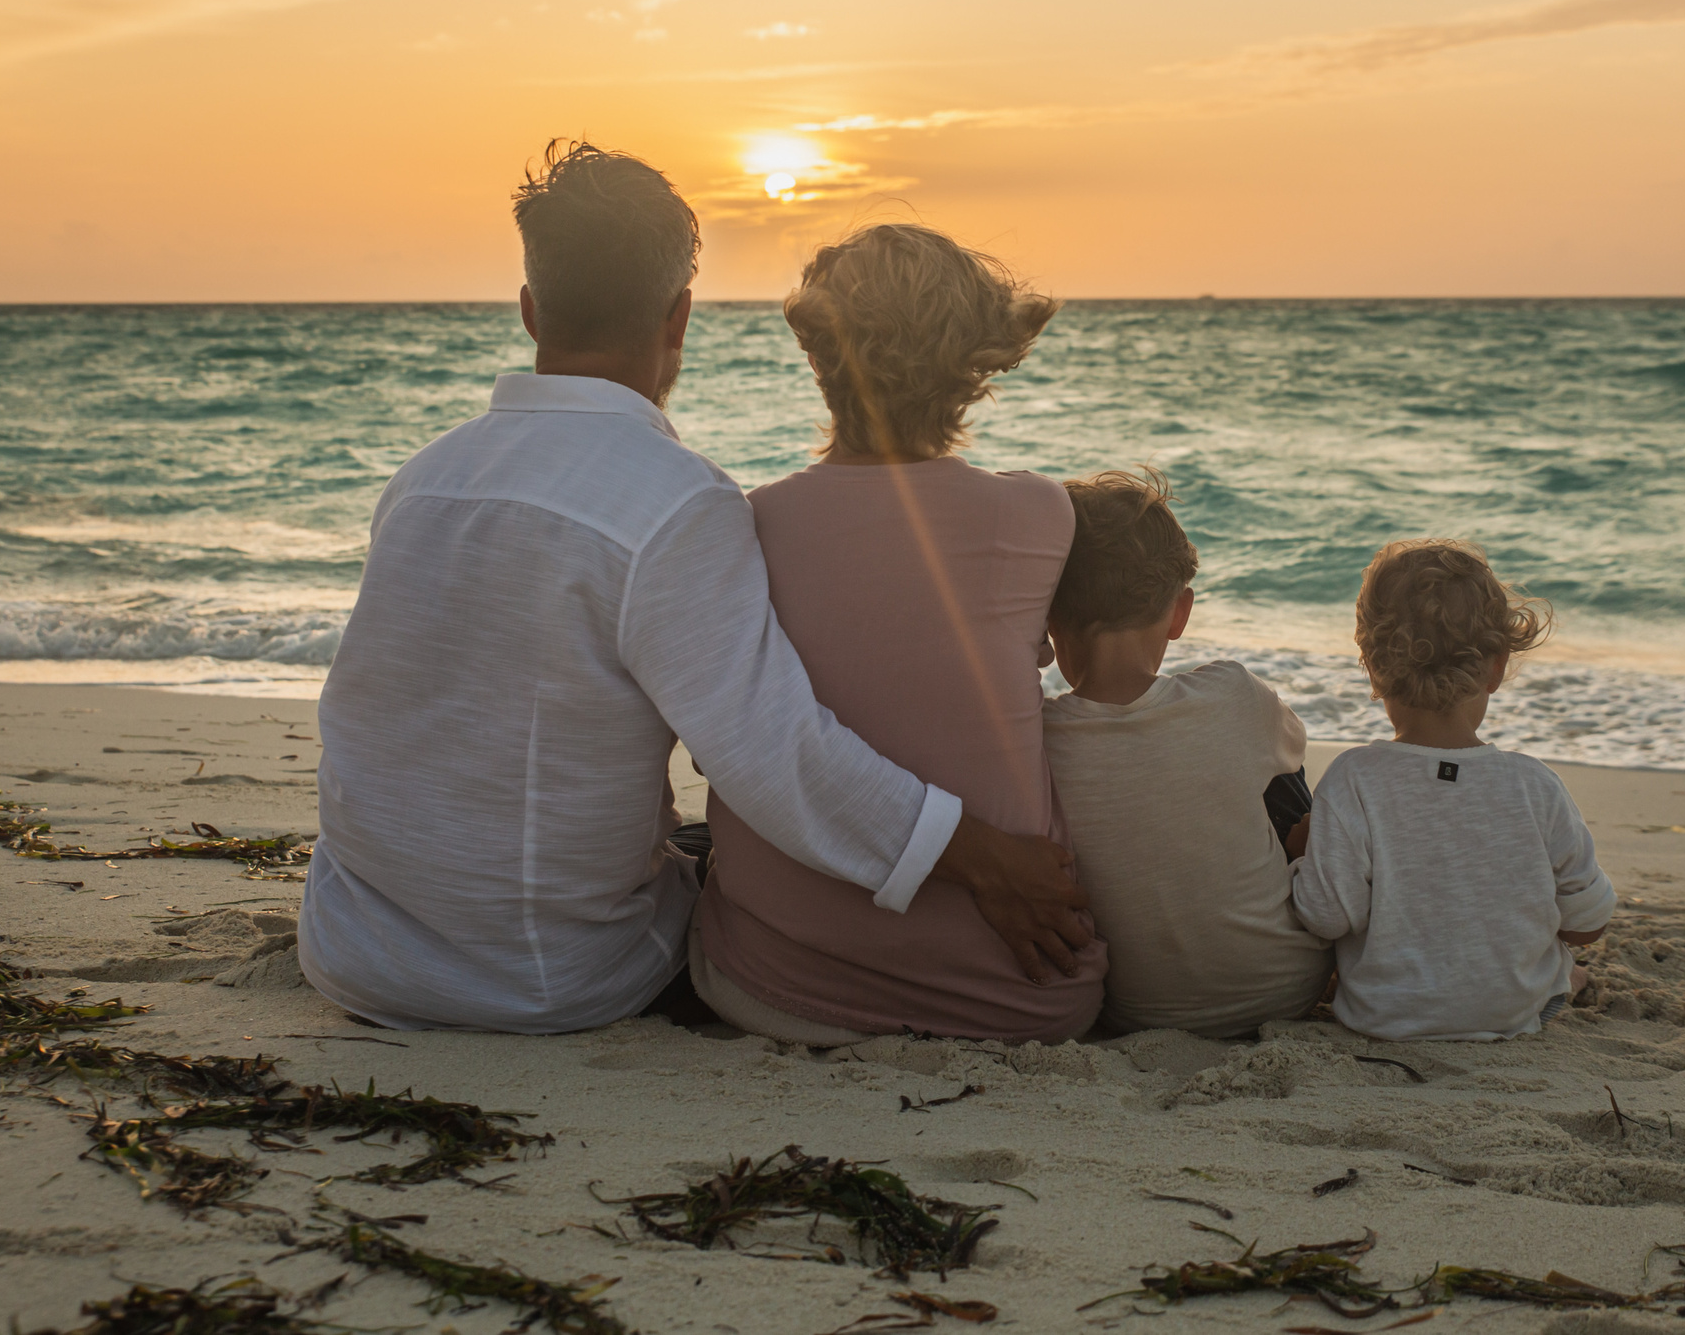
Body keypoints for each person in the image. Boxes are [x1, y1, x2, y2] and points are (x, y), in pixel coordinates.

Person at [297, 144, 1093, 1034]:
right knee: (715, 857)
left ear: (529, 311)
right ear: (679, 315)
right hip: (539, 979)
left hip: (352, 946)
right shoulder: (675, 501)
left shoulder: (423, 478)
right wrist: (983, 856)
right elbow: (774, 758)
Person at [691, 224, 1109, 1043]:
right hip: (1026, 994)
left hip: (774, 988)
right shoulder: (1038, 511)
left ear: (816, 355)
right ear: (977, 365)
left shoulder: (754, 523)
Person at [1041, 469, 1331, 1037]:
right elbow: (1292, 757)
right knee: (1274, 773)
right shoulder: (1233, 694)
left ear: (1046, 617)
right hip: (1292, 987)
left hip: (1138, 1016)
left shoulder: (1037, 738)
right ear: (1180, 612)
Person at [1290, 539, 1614, 1040]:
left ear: (1373, 665)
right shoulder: (1535, 786)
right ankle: (1562, 977)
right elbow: (1588, 924)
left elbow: (1326, 918)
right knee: (1559, 962)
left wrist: (1303, 856)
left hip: (1384, 1021)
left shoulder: (1354, 779)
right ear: (1496, 666)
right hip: (1516, 1018)